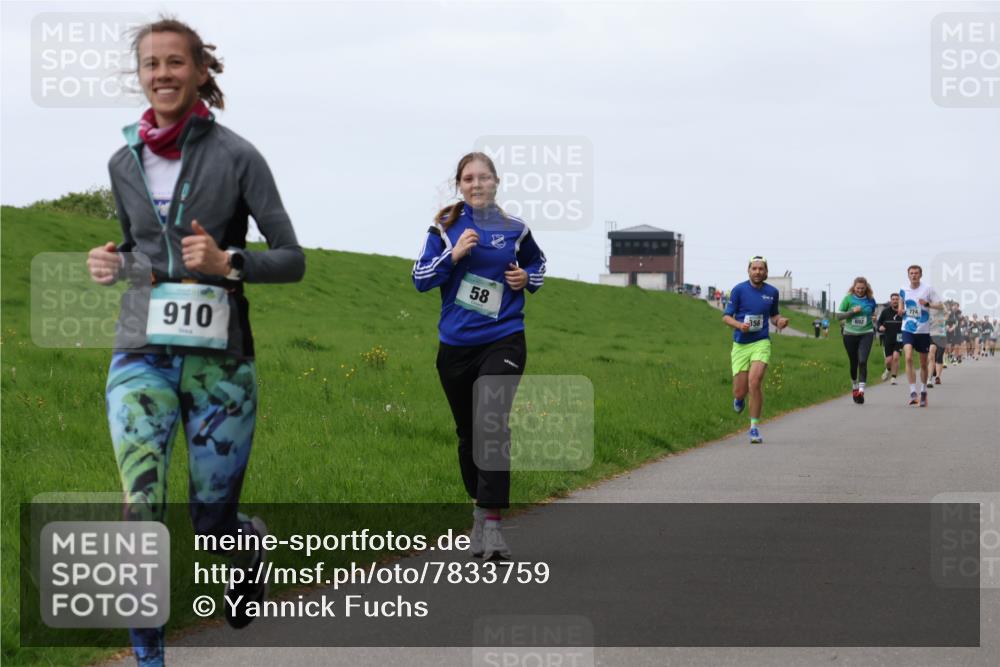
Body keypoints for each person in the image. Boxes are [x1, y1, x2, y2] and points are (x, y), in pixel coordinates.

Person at [85, 18, 305, 666]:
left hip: (221, 365)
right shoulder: (122, 160)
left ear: (201, 69)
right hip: (140, 351)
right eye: (151, 64)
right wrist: (112, 262)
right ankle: (148, 657)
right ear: (141, 75)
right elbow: (138, 251)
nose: (162, 74)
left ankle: (244, 546)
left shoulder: (239, 156)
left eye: (174, 62)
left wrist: (227, 260)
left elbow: (292, 258)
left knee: (209, 522)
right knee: (141, 508)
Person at [412, 152, 546, 560]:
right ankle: (480, 507)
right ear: (460, 185)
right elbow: (419, 278)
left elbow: (538, 265)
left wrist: (527, 278)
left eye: (483, 178)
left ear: (495, 182)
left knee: (492, 425)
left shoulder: (515, 229)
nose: (476, 184)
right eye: (468, 179)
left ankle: (492, 527)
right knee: (469, 435)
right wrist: (452, 257)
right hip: (455, 346)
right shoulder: (445, 228)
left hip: (504, 337)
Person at [722, 256, 789, 443]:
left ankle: (753, 428)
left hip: (761, 342)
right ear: (748, 271)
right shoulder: (738, 290)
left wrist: (780, 321)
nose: (758, 272)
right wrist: (738, 325)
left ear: (766, 272)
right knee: (740, 391)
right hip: (741, 345)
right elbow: (726, 317)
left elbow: (774, 315)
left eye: (761, 269)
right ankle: (739, 399)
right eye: (754, 268)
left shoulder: (772, 292)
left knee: (755, 382)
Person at [897, 265, 942, 407]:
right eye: (911, 273)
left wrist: (928, 304)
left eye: (916, 273)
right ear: (908, 275)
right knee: (908, 356)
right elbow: (901, 300)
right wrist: (900, 309)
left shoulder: (928, 289)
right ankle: (912, 392)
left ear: (920, 275)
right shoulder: (904, 289)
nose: (914, 275)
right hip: (907, 328)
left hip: (923, 330)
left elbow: (940, 305)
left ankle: (923, 392)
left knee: (923, 363)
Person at [835, 277, 877, 404]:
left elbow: (872, 313)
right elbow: (839, 316)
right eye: (858, 288)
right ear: (854, 288)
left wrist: (873, 317)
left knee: (863, 361)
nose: (860, 290)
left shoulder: (871, 300)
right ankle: (854, 386)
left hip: (866, 333)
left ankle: (861, 389)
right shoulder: (848, 299)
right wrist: (852, 312)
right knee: (853, 362)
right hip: (850, 334)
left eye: (862, 288)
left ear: (866, 288)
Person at [877, 293, 903, 384]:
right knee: (888, 361)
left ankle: (893, 378)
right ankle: (888, 369)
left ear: (899, 301)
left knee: (896, 357)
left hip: (899, 337)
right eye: (893, 299)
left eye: (897, 299)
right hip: (888, 337)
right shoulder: (885, 312)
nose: (895, 301)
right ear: (890, 301)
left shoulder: (902, 312)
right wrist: (880, 327)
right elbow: (879, 323)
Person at [928, 296, 949, 386]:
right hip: (931, 335)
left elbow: (947, 314)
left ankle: (937, 377)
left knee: (939, 357)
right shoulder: (927, 308)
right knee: (931, 355)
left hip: (941, 335)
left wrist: (943, 319)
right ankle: (929, 378)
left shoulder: (941, 306)